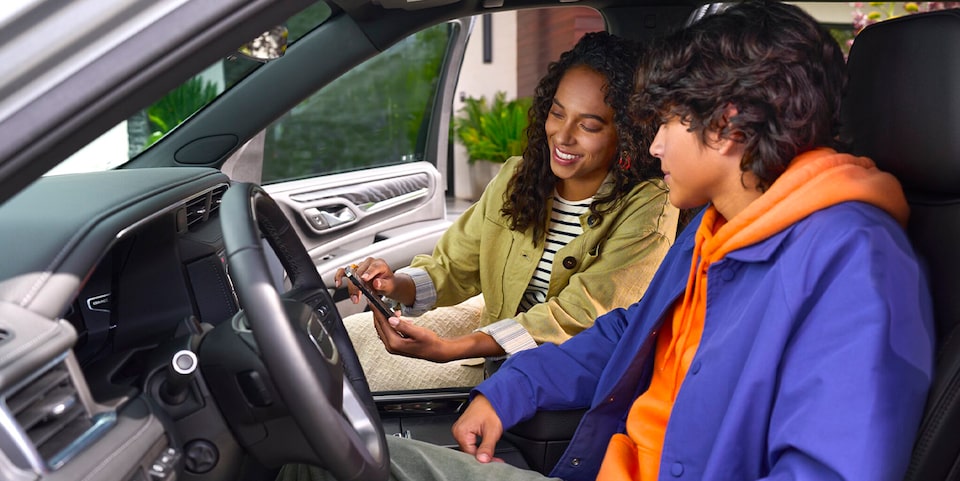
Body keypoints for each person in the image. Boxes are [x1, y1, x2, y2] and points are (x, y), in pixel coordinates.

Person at [278, 2, 935, 480]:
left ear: (728, 125)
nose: (652, 145)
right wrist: (509, 388)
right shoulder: (717, 229)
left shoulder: (856, 266)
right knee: (311, 455)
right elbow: (628, 336)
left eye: (669, 122)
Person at [337, 31, 678, 392]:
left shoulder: (650, 205)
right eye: (557, 113)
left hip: (562, 381)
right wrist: (396, 284)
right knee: (345, 340)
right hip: (495, 358)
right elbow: (454, 267)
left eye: (589, 125)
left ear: (626, 133)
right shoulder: (517, 177)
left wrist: (453, 349)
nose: (562, 136)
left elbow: (577, 317)